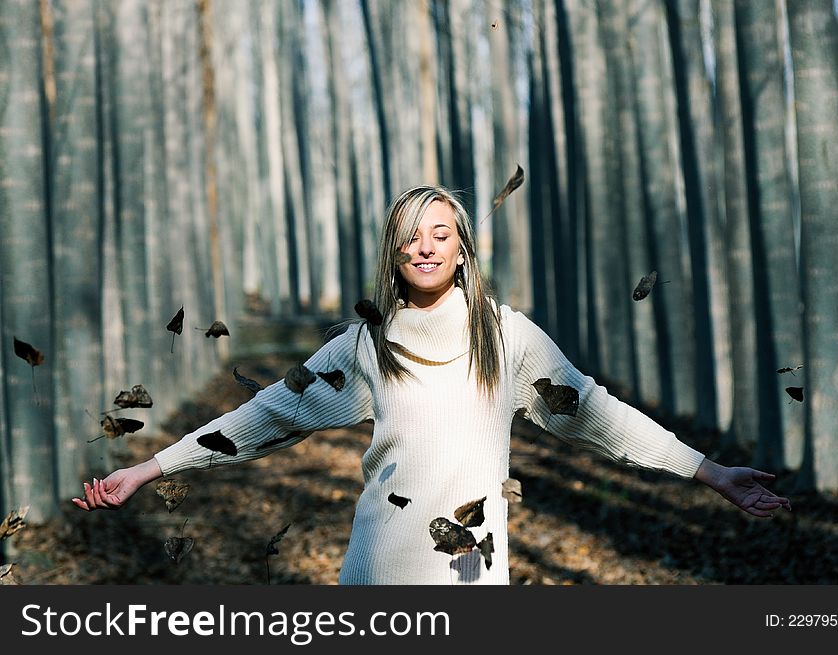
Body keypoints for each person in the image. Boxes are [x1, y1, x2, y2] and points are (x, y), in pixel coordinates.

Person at [73, 184, 791, 584]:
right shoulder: (365, 345)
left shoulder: (509, 338)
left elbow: (600, 416)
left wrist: (709, 470)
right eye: (411, 233)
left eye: (440, 232)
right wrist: (149, 467)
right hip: (377, 573)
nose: (424, 245)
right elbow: (262, 417)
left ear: (462, 248)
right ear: (395, 248)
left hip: (469, 578)